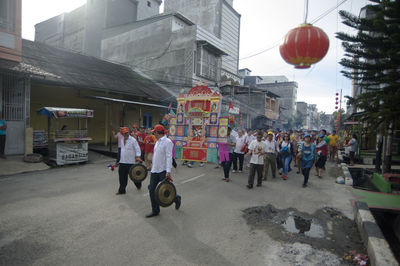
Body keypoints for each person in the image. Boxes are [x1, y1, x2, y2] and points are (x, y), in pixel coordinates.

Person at [146, 124, 181, 218]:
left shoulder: (168, 142)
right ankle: (155, 211)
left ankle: (176, 198)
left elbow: (169, 157)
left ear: (158, 132)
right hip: (155, 170)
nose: (153, 133)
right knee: (152, 191)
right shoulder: (157, 141)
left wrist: (168, 171)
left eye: (154, 132)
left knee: (167, 191)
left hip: (163, 170)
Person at [116, 127, 142, 195]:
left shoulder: (133, 140)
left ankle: (138, 185)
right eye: (124, 133)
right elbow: (122, 150)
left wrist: (138, 156)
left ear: (128, 132)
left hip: (130, 162)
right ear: (122, 133)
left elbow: (137, 148)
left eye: (127, 133)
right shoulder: (121, 139)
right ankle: (122, 190)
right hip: (122, 161)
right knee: (122, 177)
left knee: (134, 176)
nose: (126, 134)